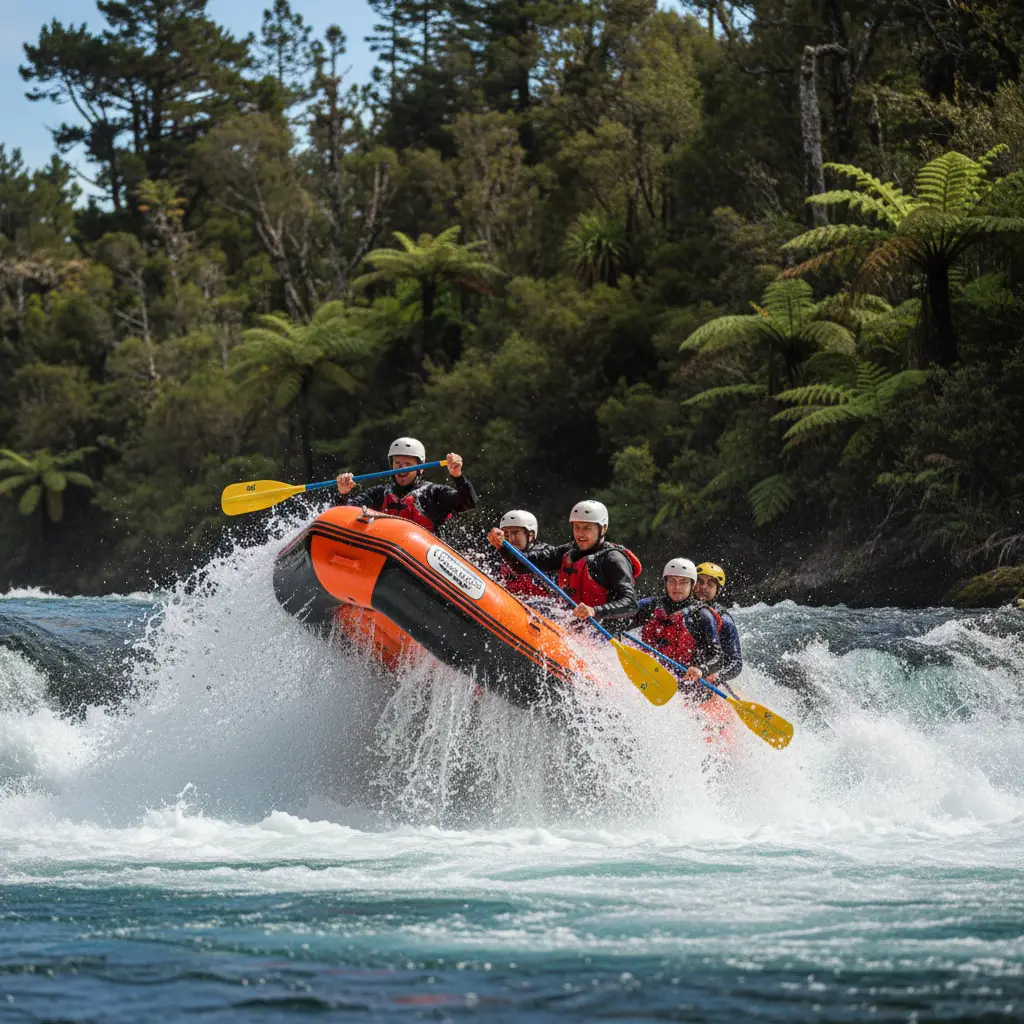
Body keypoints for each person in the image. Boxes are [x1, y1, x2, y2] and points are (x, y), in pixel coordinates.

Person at [488, 500, 640, 624]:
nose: (580, 534)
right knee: (540, 606)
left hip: (601, 632)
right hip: (572, 626)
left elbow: (631, 603)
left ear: (603, 528)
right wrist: (501, 546)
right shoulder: (569, 552)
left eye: (587, 528)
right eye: (576, 527)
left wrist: (595, 611)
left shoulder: (613, 559)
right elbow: (522, 566)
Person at [335, 437, 477, 532]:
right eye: (397, 464)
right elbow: (345, 513)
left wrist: (457, 477)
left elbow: (468, 503)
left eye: (408, 464)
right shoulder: (379, 494)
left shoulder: (434, 493)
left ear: (420, 468)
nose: (402, 468)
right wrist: (343, 493)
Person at [634, 558, 723, 703]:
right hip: (647, 674)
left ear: (692, 586)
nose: (677, 587)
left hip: (685, 686)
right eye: (672, 581)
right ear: (665, 584)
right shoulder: (650, 606)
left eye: (683, 582)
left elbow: (718, 657)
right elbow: (621, 619)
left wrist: (701, 670)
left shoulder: (702, 615)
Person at [694, 561, 743, 690]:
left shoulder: (725, 621)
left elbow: (736, 663)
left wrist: (718, 676)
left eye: (710, 584)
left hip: (708, 674)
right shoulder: (682, 608)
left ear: (717, 590)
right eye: (700, 582)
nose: (704, 587)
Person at [486, 510, 556, 598]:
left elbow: (522, 563)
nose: (511, 539)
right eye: (506, 534)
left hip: (544, 607)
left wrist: (501, 548)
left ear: (531, 534)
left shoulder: (545, 553)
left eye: (515, 533)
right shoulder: (503, 557)